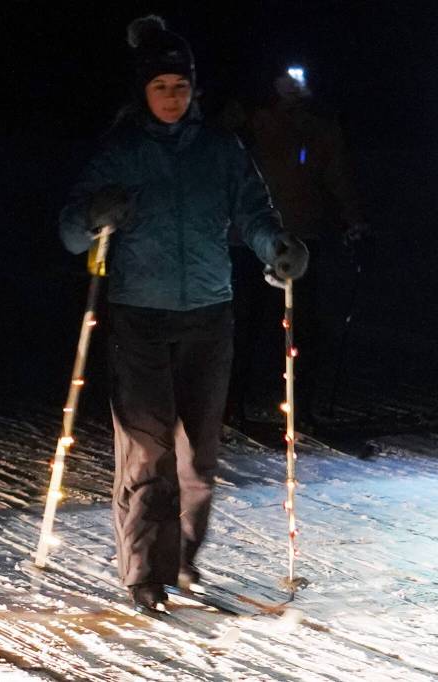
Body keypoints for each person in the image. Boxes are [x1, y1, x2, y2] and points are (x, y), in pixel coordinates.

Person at [58, 15, 308, 614]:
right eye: (160, 87)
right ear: (143, 91)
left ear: (194, 89)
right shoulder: (121, 151)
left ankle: (183, 559)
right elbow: (70, 231)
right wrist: (94, 213)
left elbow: (253, 212)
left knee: (199, 452)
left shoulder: (220, 150)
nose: (172, 97)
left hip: (208, 313)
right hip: (139, 315)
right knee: (147, 451)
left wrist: (276, 245)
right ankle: (145, 571)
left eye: (180, 86)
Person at [227, 65, 370, 430]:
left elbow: (338, 175)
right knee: (245, 323)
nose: (293, 86)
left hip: (301, 239)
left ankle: (300, 407)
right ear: (273, 82)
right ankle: (231, 403)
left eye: (299, 78)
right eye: (285, 78)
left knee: (303, 327)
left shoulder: (321, 126)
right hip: (250, 240)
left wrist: (353, 220)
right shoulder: (253, 118)